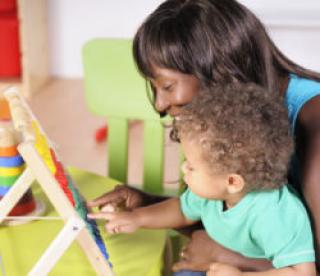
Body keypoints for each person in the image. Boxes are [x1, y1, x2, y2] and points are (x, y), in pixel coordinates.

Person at [88, 0, 320, 272]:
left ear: (221, 70)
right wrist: (145, 206)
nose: (160, 105)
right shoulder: (234, 129)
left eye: (167, 86)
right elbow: (227, 213)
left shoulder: (313, 123)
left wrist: (230, 258)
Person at [89, 84, 316, 275]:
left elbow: (302, 273)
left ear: (232, 182)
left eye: (191, 166)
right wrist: (136, 218)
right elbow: (181, 209)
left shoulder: (274, 214)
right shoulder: (213, 191)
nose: (182, 168)